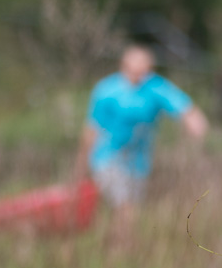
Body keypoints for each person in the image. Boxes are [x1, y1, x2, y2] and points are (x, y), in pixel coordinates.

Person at [76, 44, 208, 233]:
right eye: (135, 66)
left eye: (145, 67)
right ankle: (124, 250)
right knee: (125, 208)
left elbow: (182, 106)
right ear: (124, 65)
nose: (140, 72)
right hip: (107, 157)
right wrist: (81, 165)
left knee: (128, 210)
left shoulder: (155, 87)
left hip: (138, 162)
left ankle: (116, 248)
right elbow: (91, 130)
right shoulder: (106, 90)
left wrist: (194, 120)